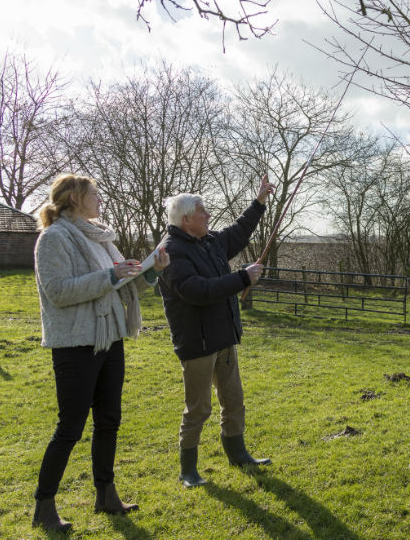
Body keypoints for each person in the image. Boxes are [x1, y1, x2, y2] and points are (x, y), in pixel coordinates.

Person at [32, 173, 170, 532]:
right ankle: (44, 506)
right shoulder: (53, 238)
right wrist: (110, 276)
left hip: (111, 337)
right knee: (71, 427)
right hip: (75, 343)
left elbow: (125, 284)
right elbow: (59, 291)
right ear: (75, 197)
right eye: (94, 193)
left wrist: (152, 270)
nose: (100, 199)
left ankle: (106, 495)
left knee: (109, 420)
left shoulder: (103, 239)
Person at [158, 175, 275, 488]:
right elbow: (197, 291)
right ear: (186, 220)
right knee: (198, 409)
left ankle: (238, 455)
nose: (209, 215)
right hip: (197, 343)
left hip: (223, 338)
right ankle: (188, 471)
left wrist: (259, 200)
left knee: (234, 401)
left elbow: (238, 233)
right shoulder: (172, 252)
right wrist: (242, 279)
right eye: (203, 212)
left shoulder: (208, 242)